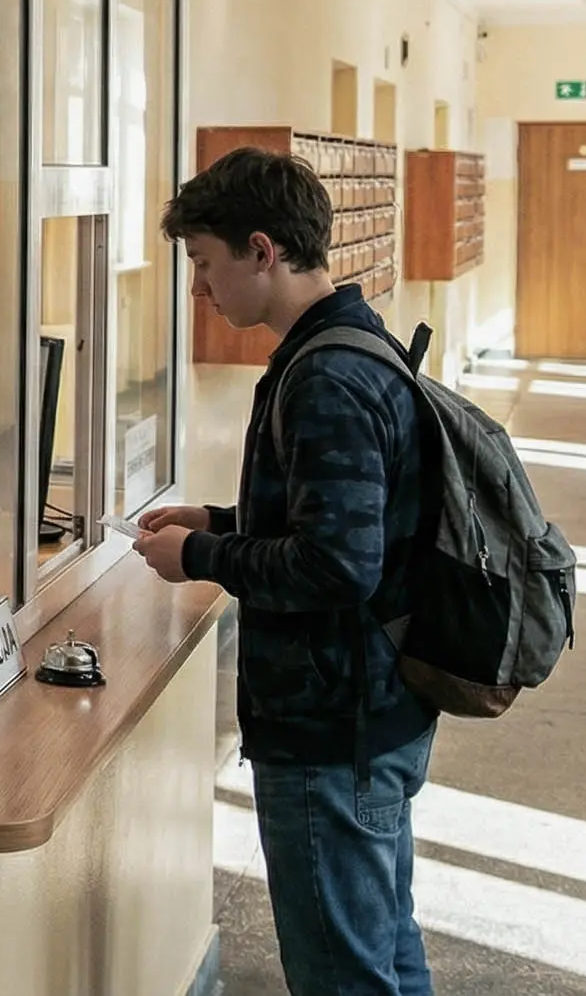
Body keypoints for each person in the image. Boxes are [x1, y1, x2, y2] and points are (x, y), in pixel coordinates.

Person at [135, 147, 437, 996]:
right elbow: (335, 517)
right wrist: (220, 521)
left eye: (205, 262)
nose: (199, 287)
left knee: (343, 973)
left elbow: (337, 565)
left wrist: (200, 557)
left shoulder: (325, 377)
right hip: (369, 715)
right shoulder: (348, 342)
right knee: (386, 949)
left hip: (331, 730)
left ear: (262, 251)